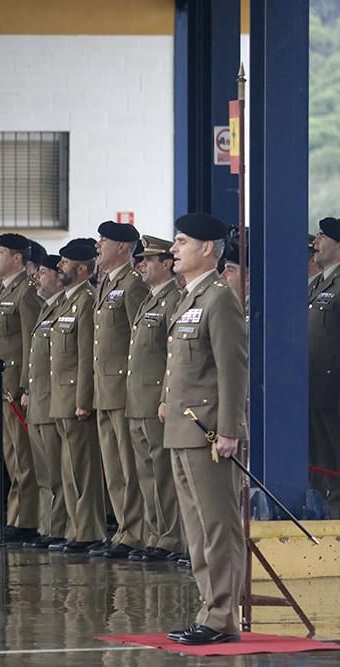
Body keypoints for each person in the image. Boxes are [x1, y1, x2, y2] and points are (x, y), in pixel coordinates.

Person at [162, 213, 247, 646]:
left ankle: (222, 618)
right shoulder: (187, 298)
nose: (174, 249)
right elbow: (180, 363)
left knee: (217, 527)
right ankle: (208, 609)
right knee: (195, 530)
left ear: (207, 249)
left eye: (181, 241)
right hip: (182, 428)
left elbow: (233, 369)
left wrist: (230, 428)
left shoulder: (219, 299)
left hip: (210, 432)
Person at [125, 236, 185, 561]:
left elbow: (171, 356)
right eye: (141, 260)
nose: (142, 265)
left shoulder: (173, 299)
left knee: (162, 474)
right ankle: (154, 534)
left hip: (155, 402)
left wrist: (165, 397)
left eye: (149, 260)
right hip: (137, 400)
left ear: (166, 264)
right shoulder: (150, 299)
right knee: (146, 473)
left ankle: (170, 538)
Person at [92, 221, 149, 559]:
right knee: (113, 468)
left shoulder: (133, 285)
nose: (99, 245)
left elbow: (137, 343)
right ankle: (124, 530)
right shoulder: (107, 284)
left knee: (129, 468)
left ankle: (136, 531)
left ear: (124, 248)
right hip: (104, 389)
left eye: (105, 240)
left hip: (123, 390)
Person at [0, 233, 41, 543]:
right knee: (10, 455)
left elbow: (31, 341)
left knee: (22, 455)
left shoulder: (26, 292)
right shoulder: (3, 291)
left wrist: (24, 384)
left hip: (13, 388)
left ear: (17, 258)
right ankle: (15, 515)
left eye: (0, 252)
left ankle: (27, 518)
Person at [50, 239, 107, 553]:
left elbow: (87, 355)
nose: (60, 266)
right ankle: (75, 527)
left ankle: (87, 531)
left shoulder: (85, 299)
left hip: (76, 398)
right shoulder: (66, 300)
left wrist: (84, 399)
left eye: (66, 262)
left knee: (82, 469)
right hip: (61, 396)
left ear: (82, 268)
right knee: (69, 469)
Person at [21, 254, 69, 548]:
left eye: (44, 273)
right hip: (38, 399)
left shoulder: (64, 307)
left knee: (57, 470)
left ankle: (60, 526)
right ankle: (47, 525)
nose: (38, 278)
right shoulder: (45, 309)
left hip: (54, 399)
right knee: (43, 471)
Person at [309, 217, 340, 517]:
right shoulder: (317, 283)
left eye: (322, 237)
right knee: (319, 461)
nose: (315, 243)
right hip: (314, 388)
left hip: (334, 391)